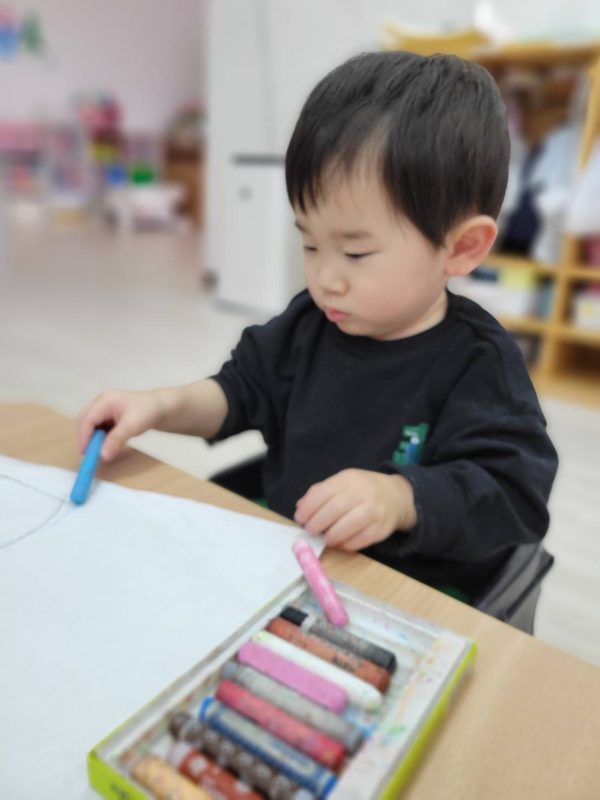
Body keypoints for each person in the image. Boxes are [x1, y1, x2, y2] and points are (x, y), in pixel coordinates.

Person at [78, 51, 558, 598]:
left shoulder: (479, 363)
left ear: (462, 247)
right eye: (309, 244)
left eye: (355, 253)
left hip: (410, 590)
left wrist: (400, 498)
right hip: (293, 562)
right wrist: (160, 406)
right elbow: (239, 392)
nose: (326, 278)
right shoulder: (309, 323)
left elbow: (515, 495)